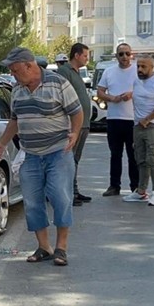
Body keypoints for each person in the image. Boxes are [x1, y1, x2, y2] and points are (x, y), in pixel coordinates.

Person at [0, 47, 83, 267]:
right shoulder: (17, 90)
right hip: (30, 155)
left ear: (29, 66)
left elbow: (77, 111)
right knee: (32, 203)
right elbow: (14, 120)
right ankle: (44, 247)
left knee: (61, 198)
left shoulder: (58, 83)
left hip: (58, 153)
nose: (12, 74)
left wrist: (76, 132)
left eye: (15, 70)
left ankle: (61, 248)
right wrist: (2, 143)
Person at [96, 43, 138, 197]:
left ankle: (136, 187)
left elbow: (146, 88)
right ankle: (114, 186)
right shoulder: (109, 72)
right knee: (115, 154)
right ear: (116, 56)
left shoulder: (137, 70)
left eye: (127, 53)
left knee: (133, 156)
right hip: (114, 119)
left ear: (131, 54)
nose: (125, 57)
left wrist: (131, 94)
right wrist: (112, 98)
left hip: (133, 119)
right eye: (121, 54)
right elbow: (100, 91)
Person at [128, 54, 154, 206]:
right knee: (141, 159)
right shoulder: (136, 82)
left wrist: (148, 119)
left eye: (143, 66)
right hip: (138, 127)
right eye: (138, 66)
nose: (139, 69)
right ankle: (141, 191)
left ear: (152, 68)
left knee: (153, 160)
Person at [56, 46, 93, 206]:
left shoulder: (76, 72)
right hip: (73, 126)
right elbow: (62, 97)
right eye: (85, 56)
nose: (87, 59)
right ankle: (66, 194)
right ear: (76, 55)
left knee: (75, 160)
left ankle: (74, 191)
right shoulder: (65, 71)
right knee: (67, 161)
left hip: (83, 124)